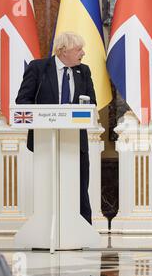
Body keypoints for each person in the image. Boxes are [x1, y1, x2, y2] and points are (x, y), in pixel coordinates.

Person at [16, 32, 96, 224]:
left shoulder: (83, 71)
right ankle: (45, 227)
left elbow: (92, 102)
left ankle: (83, 230)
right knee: (47, 189)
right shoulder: (38, 68)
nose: (83, 53)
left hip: (76, 143)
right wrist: (46, 115)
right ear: (63, 51)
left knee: (80, 189)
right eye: (78, 49)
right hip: (45, 141)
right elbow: (23, 100)